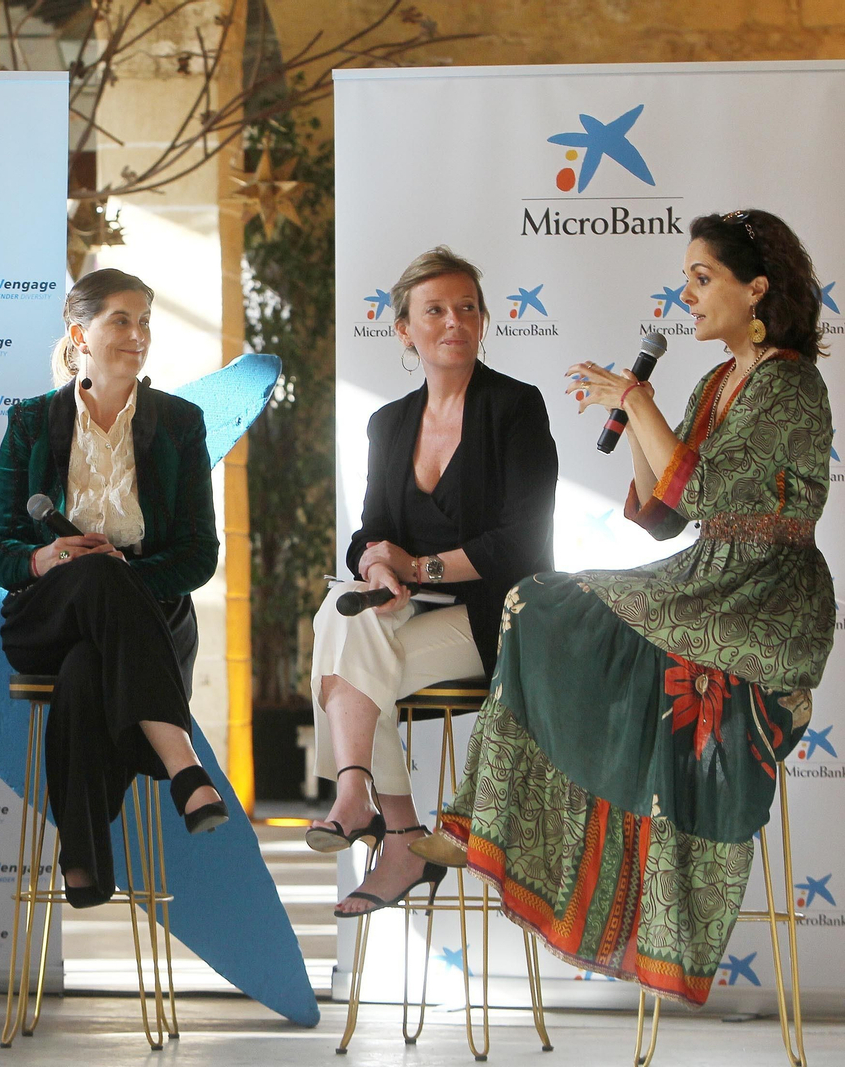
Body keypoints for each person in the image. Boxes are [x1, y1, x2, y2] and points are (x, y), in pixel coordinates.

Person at [416, 210, 833, 1007]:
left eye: (702, 277)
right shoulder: (720, 380)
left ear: (757, 289)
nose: (687, 292)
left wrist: (636, 402)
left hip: (765, 595)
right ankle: (483, 825)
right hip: (703, 572)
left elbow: (707, 487)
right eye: (688, 277)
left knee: (539, 601)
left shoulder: (785, 380)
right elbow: (669, 512)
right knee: (535, 600)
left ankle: (483, 827)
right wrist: (640, 407)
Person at [306, 247, 558, 918]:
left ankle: (378, 814)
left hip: (496, 615)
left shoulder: (516, 409)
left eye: (467, 307)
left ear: (483, 320)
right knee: (342, 609)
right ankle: (397, 826)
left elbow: (519, 542)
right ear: (404, 330)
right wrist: (379, 567)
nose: (455, 321)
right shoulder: (388, 423)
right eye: (436, 310)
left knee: (345, 669)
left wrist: (415, 567)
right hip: (407, 609)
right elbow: (370, 531)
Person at [0, 267, 229, 908]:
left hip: (146, 618)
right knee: (89, 574)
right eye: (120, 319)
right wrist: (52, 557)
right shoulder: (32, 422)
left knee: (88, 670)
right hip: (47, 611)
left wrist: (124, 573)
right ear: (78, 332)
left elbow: (199, 555)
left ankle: (83, 858)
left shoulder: (179, 423)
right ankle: (185, 769)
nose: (137, 333)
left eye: (145, 321)